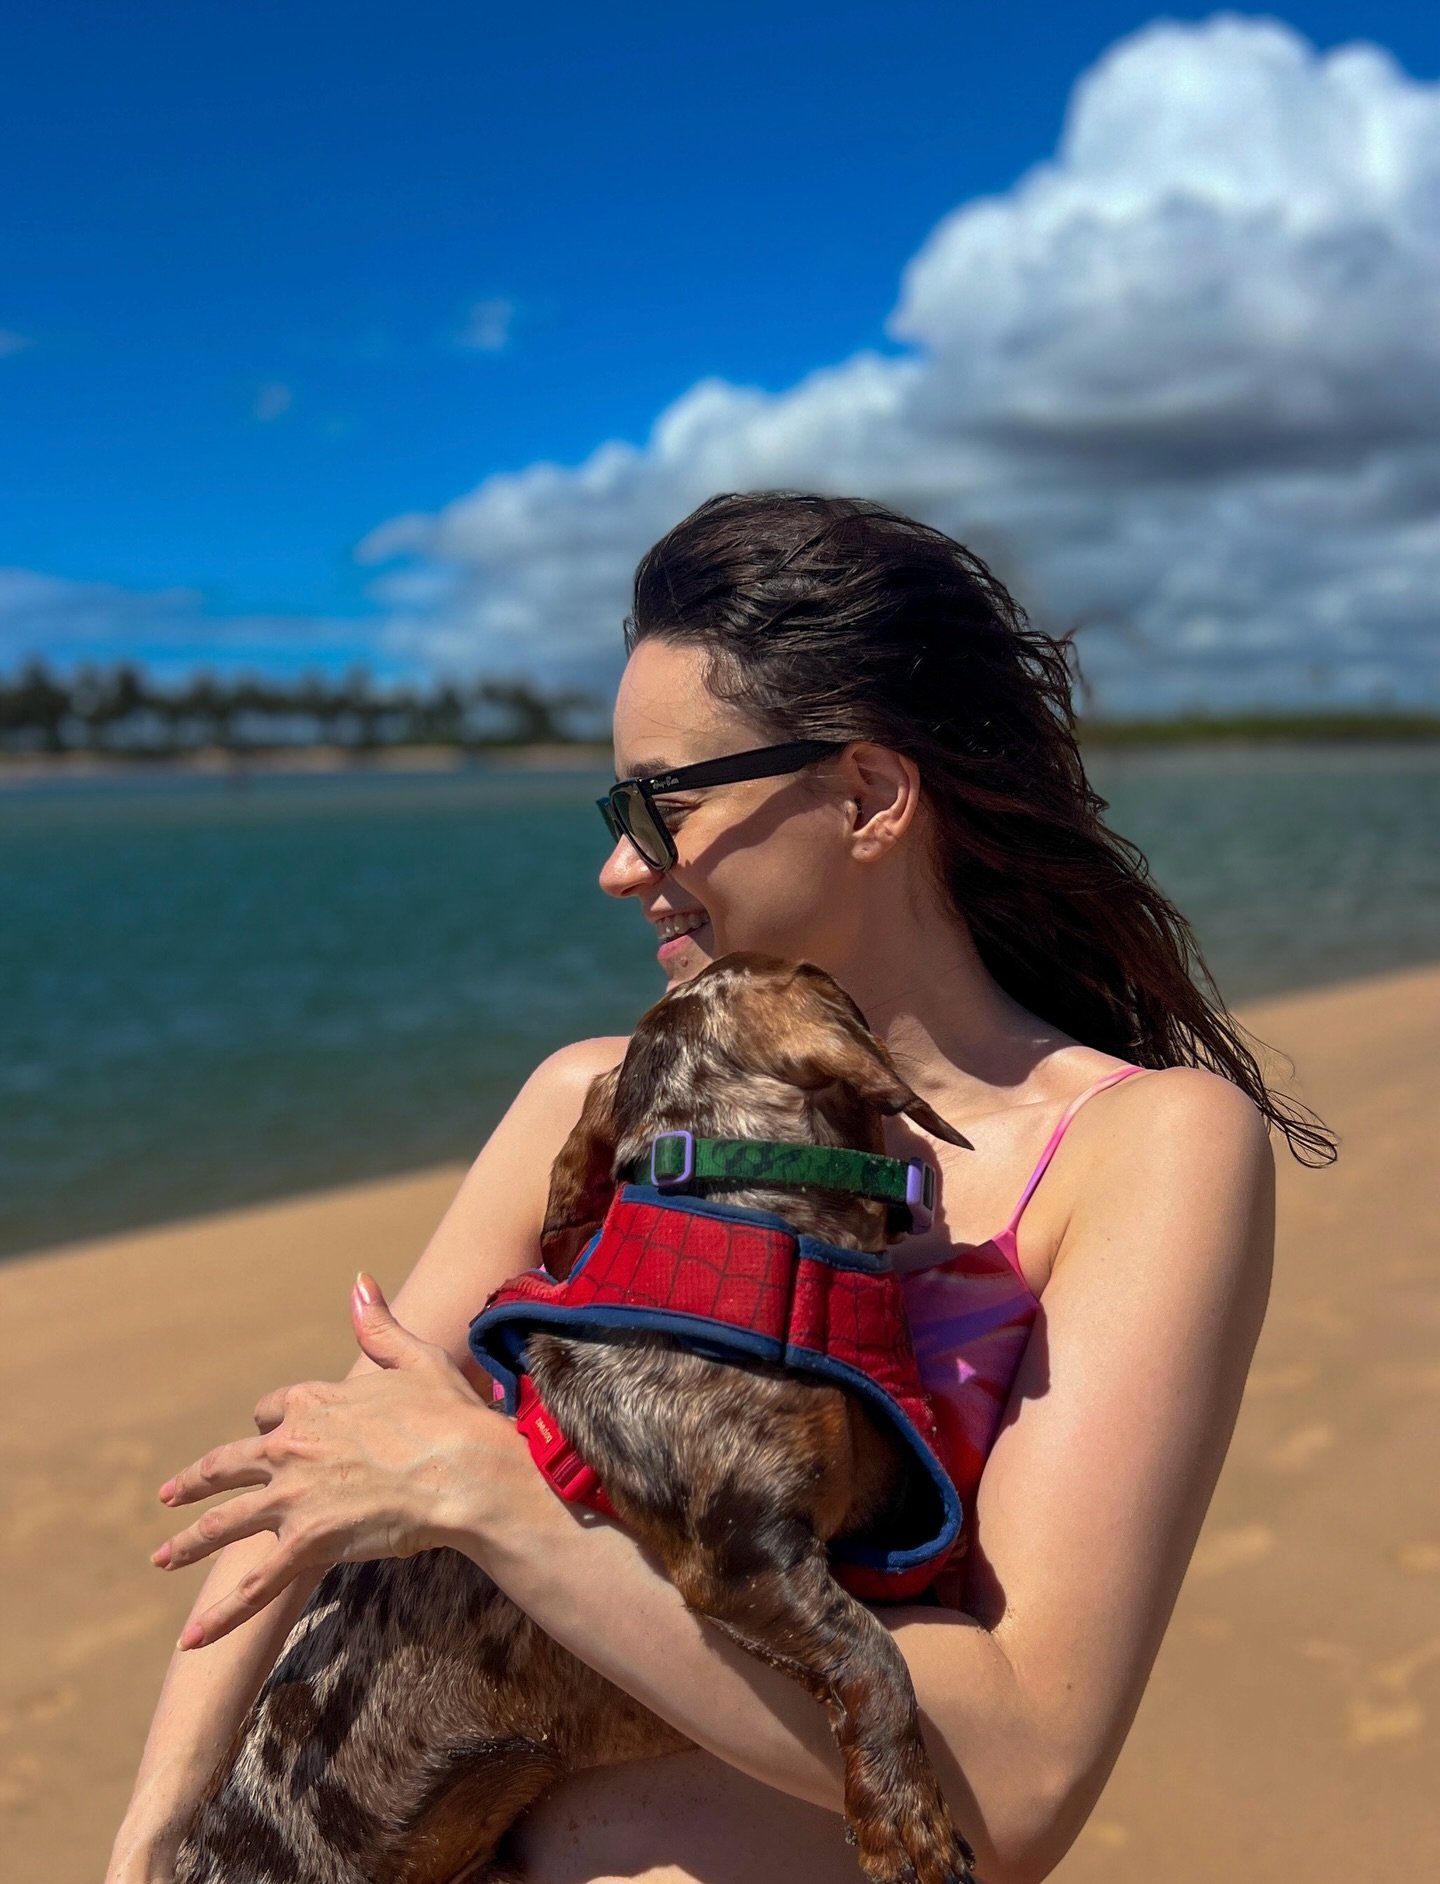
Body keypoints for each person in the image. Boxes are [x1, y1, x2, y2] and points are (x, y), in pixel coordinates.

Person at [108, 492, 1333, 1884]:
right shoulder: (588, 1097)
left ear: (868, 796)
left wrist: (498, 1504)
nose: (621, 864)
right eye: (615, 806)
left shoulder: (1140, 1149)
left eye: (663, 805)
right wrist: (147, 1844)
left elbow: (1020, 1780)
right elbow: (320, 1504)